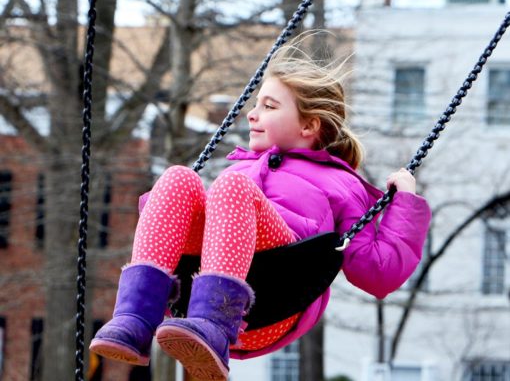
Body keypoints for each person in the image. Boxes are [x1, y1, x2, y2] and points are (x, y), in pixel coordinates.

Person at [89, 43, 431, 381]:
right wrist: (169, 205)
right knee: (178, 176)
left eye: (269, 106)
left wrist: (405, 203)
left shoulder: (341, 183)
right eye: (255, 104)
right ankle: (135, 319)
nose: (252, 114)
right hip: (200, 292)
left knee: (230, 188)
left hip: (278, 292)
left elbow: (379, 272)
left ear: (309, 126)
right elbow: (178, 222)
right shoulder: (238, 171)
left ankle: (215, 325)